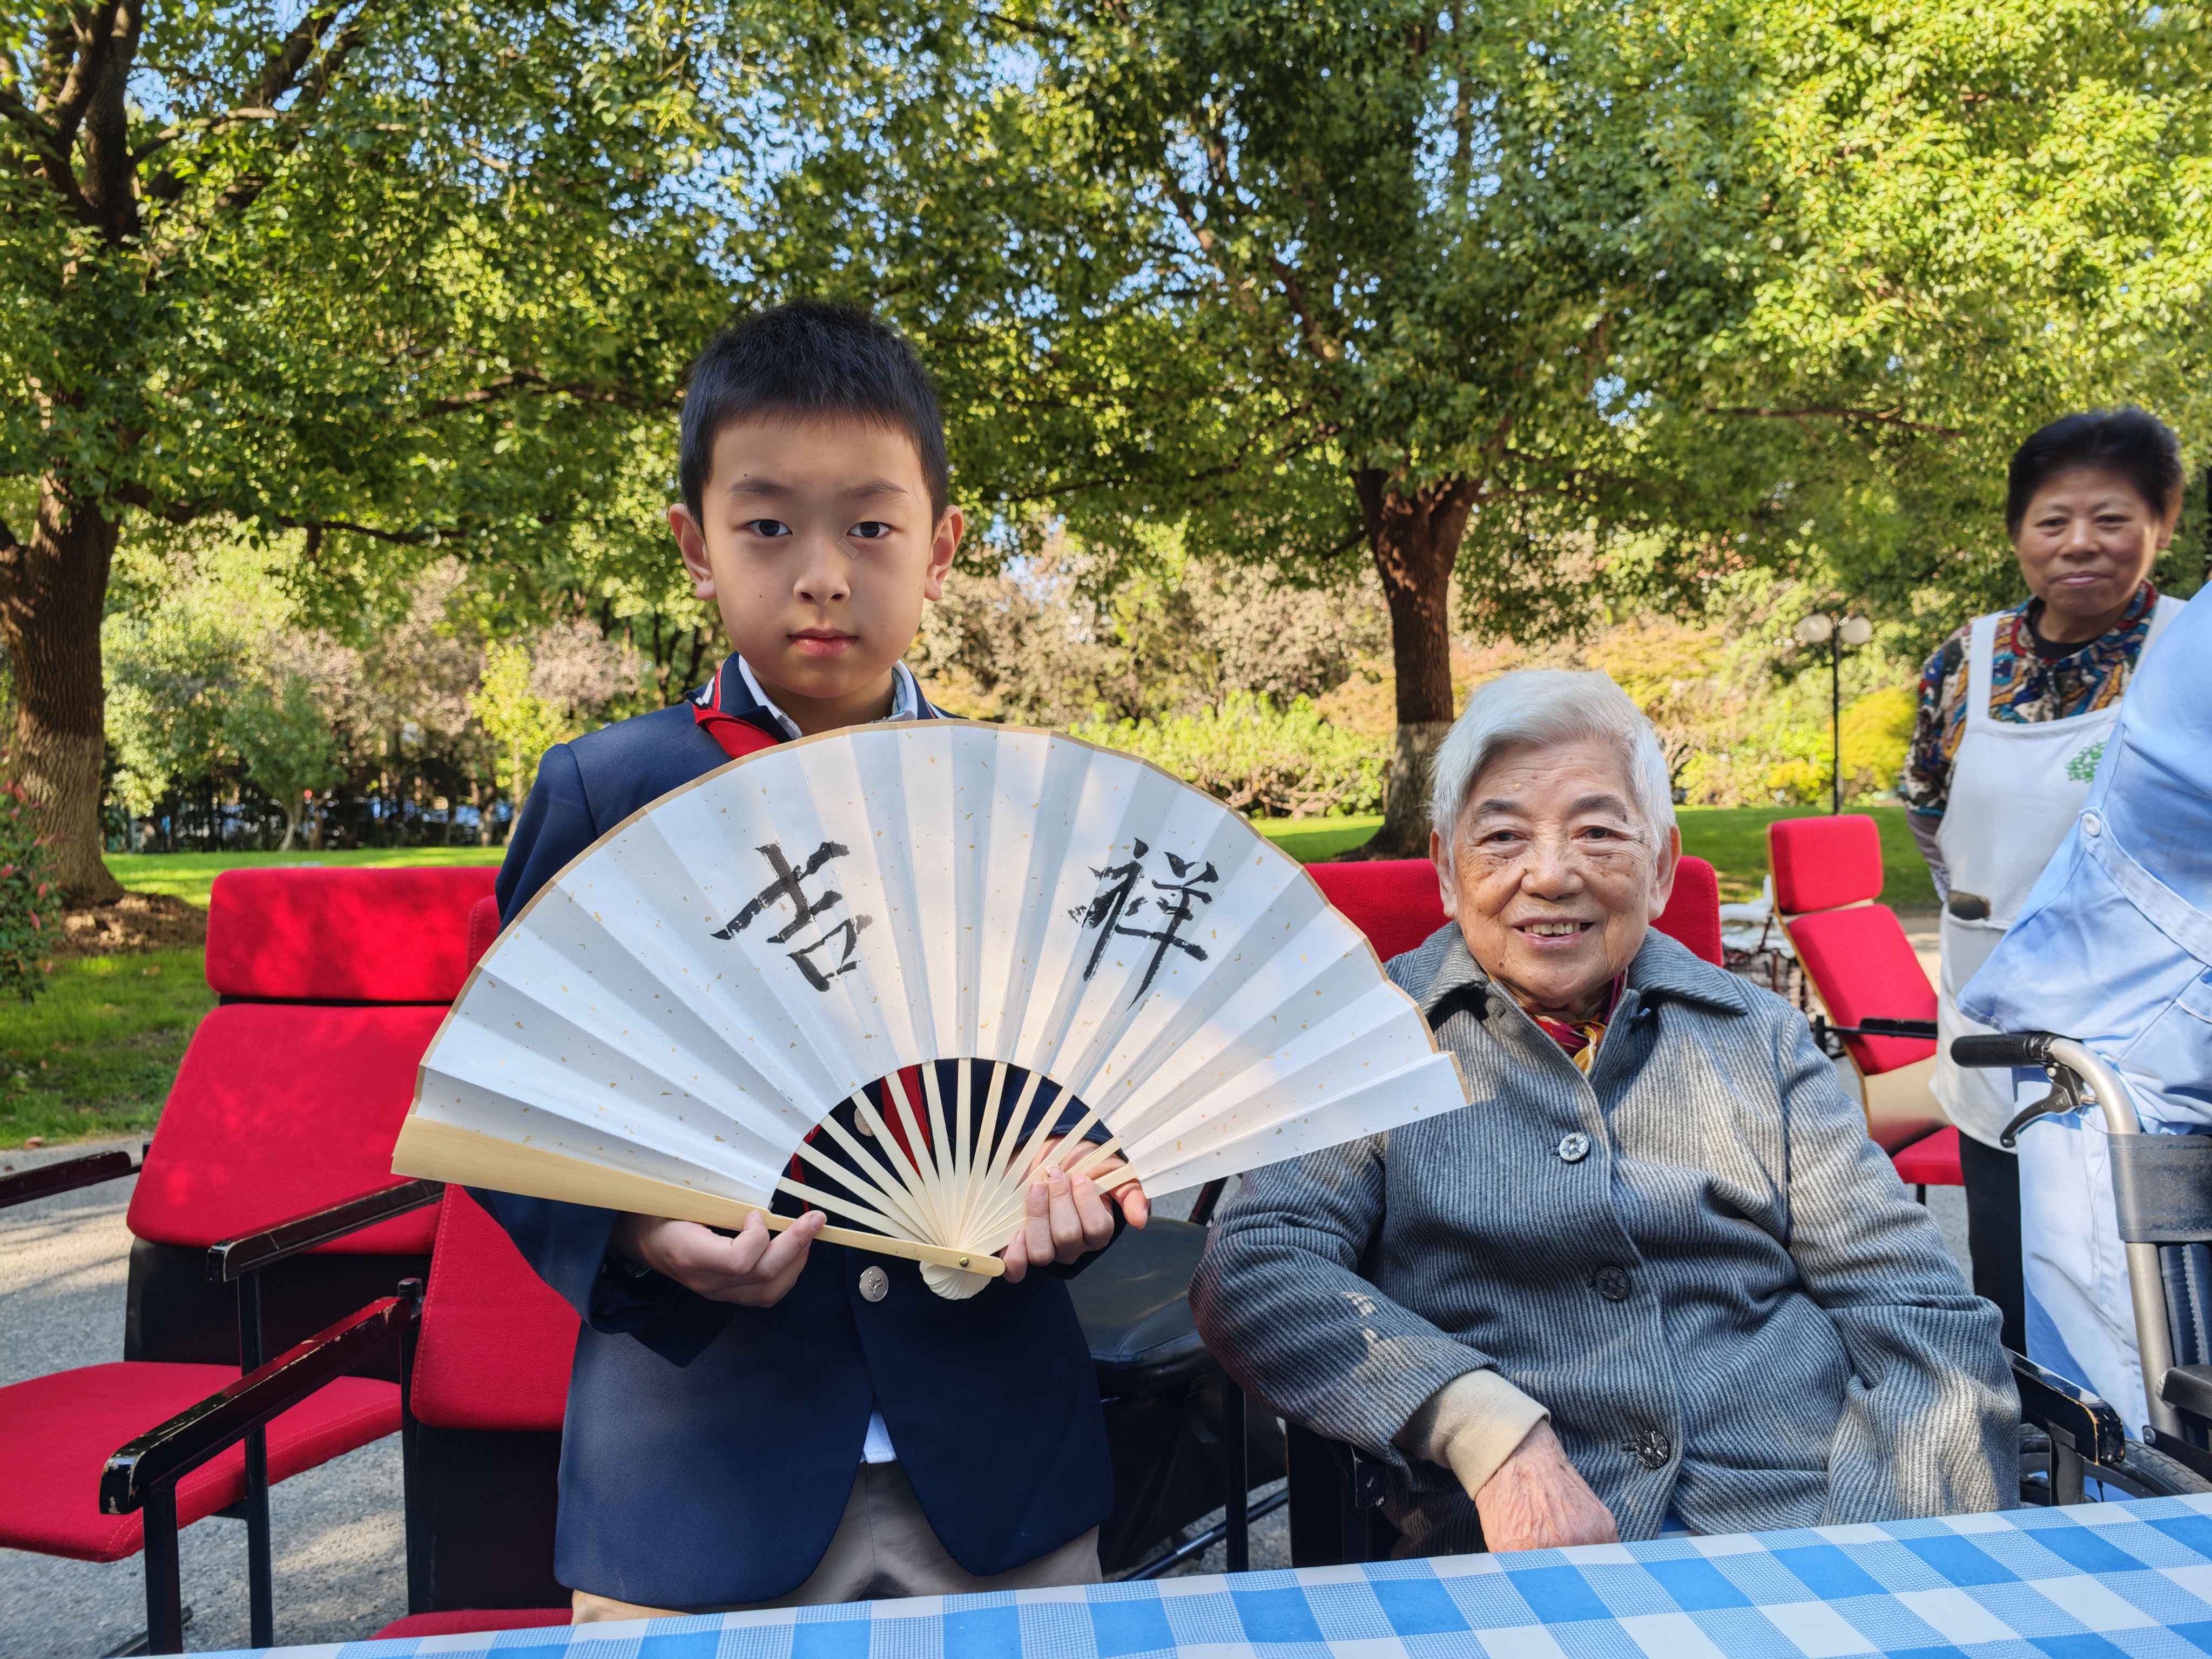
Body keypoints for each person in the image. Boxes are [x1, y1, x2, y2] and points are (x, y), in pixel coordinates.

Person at [481, 301, 1149, 1618]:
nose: (823, 574)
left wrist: (1076, 1198)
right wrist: (639, 1232)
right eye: (769, 526)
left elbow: (1094, 1080)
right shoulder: (607, 794)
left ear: (941, 547)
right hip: (698, 1472)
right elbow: (507, 1106)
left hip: (998, 1467)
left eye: (871, 527)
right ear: (695, 545)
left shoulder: (1027, 803)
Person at [1190, 669, 2017, 1552]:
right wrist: (1486, 1433)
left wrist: (1870, 1554)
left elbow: (1915, 1307)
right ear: (1447, 871)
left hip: (1812, 1511)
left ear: (1660, 868)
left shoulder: (1759, 1036)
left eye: (1597, 832)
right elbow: (1257, 1268)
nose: (1551, 875)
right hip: (1527, 1541)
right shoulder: (1365, 1041)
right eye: (1502, 837)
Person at [1903, 407, 2188, 1354]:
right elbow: (1930, 812)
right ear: (2018, 531)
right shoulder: (1966, 660)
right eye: (2053, 520)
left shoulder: (2190, 656)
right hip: (1995, 1016)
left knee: (2157, 1289)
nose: (2080, 544)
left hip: (2152, 1028)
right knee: (2011, 1270)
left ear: (2163, 524)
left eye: (2112, 519)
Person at [1960, 585, 2212, 1433]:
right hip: (2134, 1048)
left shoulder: (2169, 629)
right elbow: (1932, 812)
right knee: (2138, 1434)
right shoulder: (1972, 658)